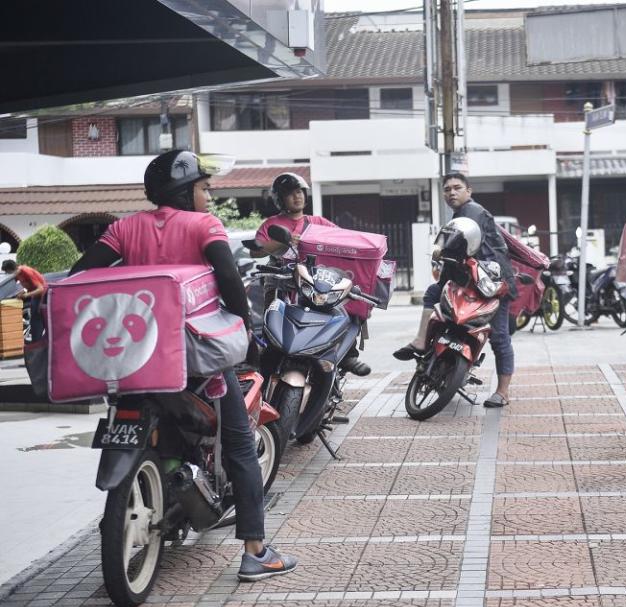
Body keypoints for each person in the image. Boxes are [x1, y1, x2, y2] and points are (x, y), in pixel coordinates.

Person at [70, 149, 298, 581]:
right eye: (203, 187)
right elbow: (230, 278)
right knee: (241, 444)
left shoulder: (125, 227)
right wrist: (243, 326)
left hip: (135, 358)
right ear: (183, 190)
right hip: (197, 359)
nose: (208, 195)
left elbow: (84, 273)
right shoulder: (203, 225)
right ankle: (256, 550)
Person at [394, 173, 517, 408]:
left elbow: (453, 246)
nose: (451, 192)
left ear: (468, 191)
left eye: (457, 187)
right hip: (471, 279)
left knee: (499, 337)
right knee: (436, 296)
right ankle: (429, 347)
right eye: (447, 189)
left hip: (492, 284)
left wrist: (441, 251)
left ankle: (502, 392)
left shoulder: (472, 212)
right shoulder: (460, 215)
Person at [254, 171, 369, 377]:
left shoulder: (318, 222)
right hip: (282, 278)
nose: (297, 196)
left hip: (313, 280)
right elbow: (256, 250)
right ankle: (268, 358)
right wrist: (284, 241)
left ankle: (347, 354)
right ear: (280, 199)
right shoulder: (271, 224)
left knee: (342, 306)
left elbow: (342, 240)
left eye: (300, 192)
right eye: (291, 193)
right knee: (271, 311)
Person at [2, 260, 46, 341]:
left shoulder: (26, 271)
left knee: (37, 320)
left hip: (43, 297)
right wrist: (23, 291)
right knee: (34, 320)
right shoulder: (18, 274)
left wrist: (26, 295)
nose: (10, 275)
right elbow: (28, 285)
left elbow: (41, 289)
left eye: (9, 272)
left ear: (12, 269)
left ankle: (38, 343)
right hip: (35, 297)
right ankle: (36, 342)